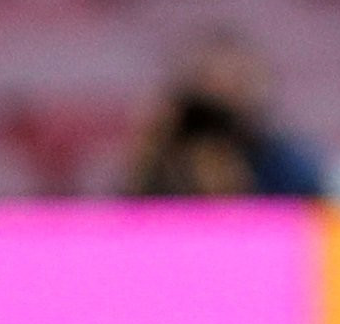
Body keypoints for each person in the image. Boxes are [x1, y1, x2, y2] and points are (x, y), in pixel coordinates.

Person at [122, 29, 328, 200]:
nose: (226, 91)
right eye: (212, 80)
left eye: (239, 80)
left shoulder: (285, 163)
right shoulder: (159, 159)